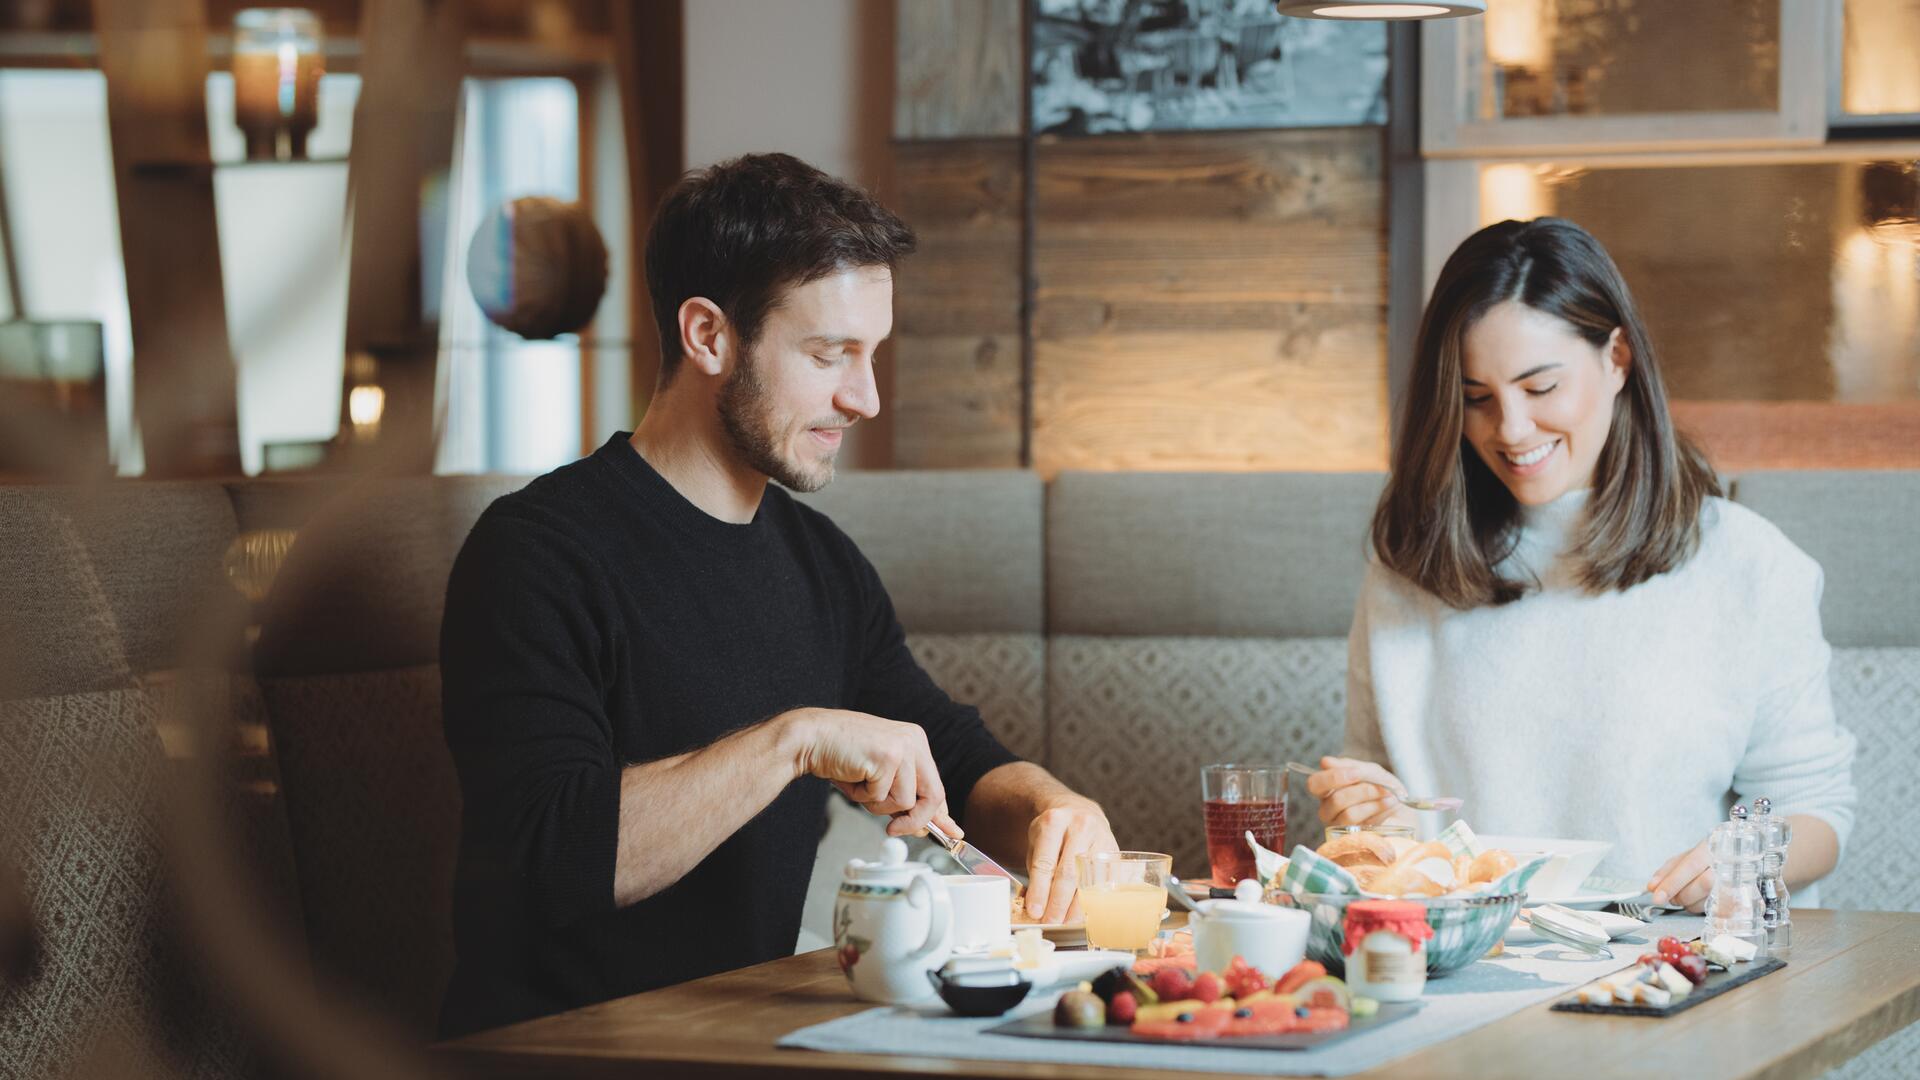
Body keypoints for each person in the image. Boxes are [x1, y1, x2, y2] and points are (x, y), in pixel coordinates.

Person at [438, 153, 1116, 1037]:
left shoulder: (821, 563)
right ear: (710, 336)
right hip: (560, 1051)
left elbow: (947, 752)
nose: (865, 397)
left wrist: (1052, 808)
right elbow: (549, 857)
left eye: (872, 355)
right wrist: (794, 741)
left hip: (751, 1042)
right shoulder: (535, 554)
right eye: (830, 354)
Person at [1309, 217, 1856, 913]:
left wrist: (1739, 865)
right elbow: (1377, 799)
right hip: (1463, 968)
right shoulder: (1412, 565)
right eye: (1476, 399)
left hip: (1669, 970)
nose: (1508, 430)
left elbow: (1814, 809)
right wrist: (1365, 822)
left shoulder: (1747, 565)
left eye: (1540, 389)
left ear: (1618, 358)